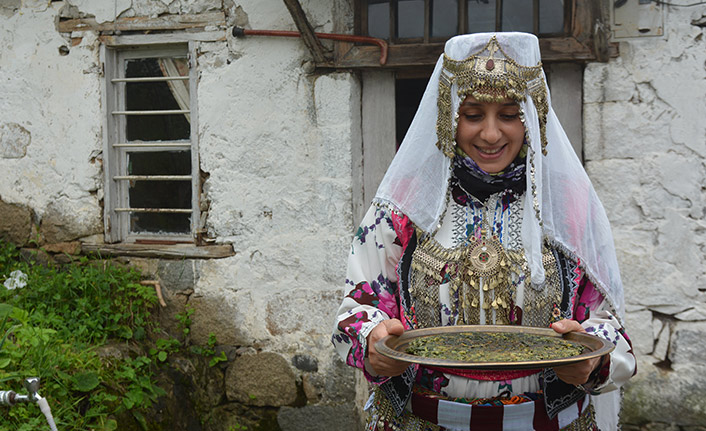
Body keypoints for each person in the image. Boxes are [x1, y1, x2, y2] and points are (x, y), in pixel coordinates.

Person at [331, 32, 636, 431]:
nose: (491, 135)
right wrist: (373, 339)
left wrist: (593, 359)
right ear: (448, 115)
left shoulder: (567, 210)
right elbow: (357, 308)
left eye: (509, 115)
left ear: (532, 116)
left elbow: (607, 322)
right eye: (473, 115)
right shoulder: (404, 207)